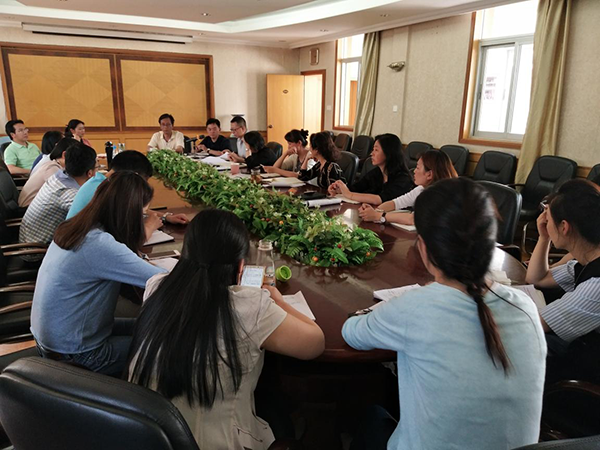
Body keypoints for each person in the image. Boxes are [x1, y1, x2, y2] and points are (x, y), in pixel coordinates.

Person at [343, 177, 546, 450]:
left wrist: (391, 307)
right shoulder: (525, 306)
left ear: (424, 248)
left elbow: (351, 333)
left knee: (369, 415)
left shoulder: (416, 307)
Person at [128, 209, 325, 449]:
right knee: (279, 411)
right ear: (240, 266)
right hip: (212, 442)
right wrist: (278, 300)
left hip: (148, 437)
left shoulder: (156, 286)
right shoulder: (248, 306)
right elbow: (315, 343)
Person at [31, 171, 167, 377]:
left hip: (56, 341)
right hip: (76, 354)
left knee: (148, 325)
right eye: (141, 214)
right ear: (128, 214)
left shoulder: (77, 227)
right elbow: (165, 281)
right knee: (168, 345)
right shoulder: (99, 244)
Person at [525, 179, 600, 383]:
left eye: (548, 219)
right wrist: (544, 238)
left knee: (515, 345)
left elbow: (535, 323)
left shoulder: (596, 285)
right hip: (582, 349)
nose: (544, 222)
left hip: (588, 373)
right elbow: (537, 279)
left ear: (564, 226)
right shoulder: (586, 259)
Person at [19, 141, 97, 258]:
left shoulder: (58, 176)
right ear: (90, 173)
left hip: (30, 242)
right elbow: (94, 219)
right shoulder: (68, 193)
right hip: (36, 252)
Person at [359, 149, 457, 225]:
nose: (414, 171)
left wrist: (379, 216)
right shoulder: (421, 189)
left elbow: (413, 219)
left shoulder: (440, 195)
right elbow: (396, 203)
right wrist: (374, 212)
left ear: (429, 174)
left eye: (417, 168)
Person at [328, 133, 413, 204]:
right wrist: (340, 190)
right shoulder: (377, 173)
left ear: (388, 153)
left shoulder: (403, 178)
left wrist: (349, 194)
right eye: (373, 149)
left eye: (376, 150)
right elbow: (357, 188)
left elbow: (380, 199)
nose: (372, 153)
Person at [19, 137, 72, 208]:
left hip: (36, 204)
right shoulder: (52, 168)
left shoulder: (54, 163)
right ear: (64, 155)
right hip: (28, 206)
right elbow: (66, 191)